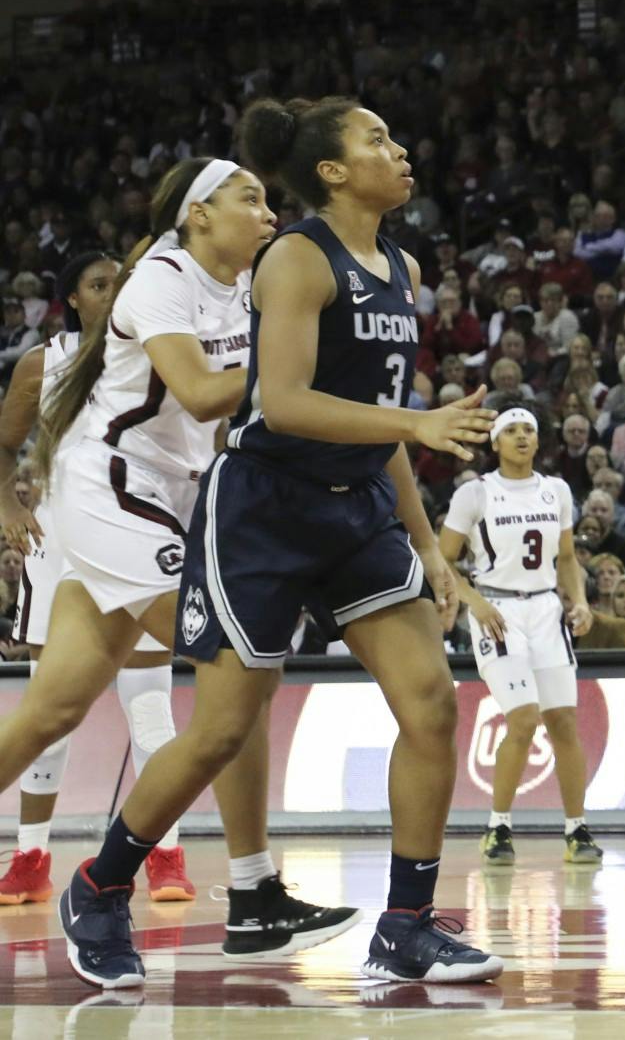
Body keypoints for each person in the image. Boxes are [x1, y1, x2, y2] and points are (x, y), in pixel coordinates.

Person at [59, 100, 502, 988]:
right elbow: (286, 401)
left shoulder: (404, 266)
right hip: (263, 507)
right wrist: (415, 421)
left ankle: (406, 924)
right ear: (332, 171)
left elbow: (374, 425)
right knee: (222, 729)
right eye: (377, 138)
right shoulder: (297, 256)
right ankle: (99, 885)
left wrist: (431, 545)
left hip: (359, 506)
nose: (400, 147)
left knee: (431, 702)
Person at [0, 162, 358, 984]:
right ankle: (244, 888)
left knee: (51, 708)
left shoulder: (252, 284)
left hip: (175, 496)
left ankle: (248, 891)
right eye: (251, 197)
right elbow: (201, 394)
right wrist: (301, 374)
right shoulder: (159, 274)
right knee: (238, 667)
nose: (269, 211)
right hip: (112, 491)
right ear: (199, 214)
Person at [0, 254, 200, 905]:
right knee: (46, 713)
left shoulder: (158, 346)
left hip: (134, 526)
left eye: (120, 281)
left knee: (150, 706)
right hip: (60, 536)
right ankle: (29, 854)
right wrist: (7, 506)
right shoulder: (44, 361)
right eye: (98, 284)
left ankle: (165, 853)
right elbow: (5, 441)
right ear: (73, 302)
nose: (114, 293)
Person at [437, 408, 602, 868]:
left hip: (547, 608)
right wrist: (475, 602)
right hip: (497, 611)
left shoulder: (557, 490)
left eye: (529, 428)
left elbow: (566, 557)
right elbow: (442, 560)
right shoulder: (475, 493)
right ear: (495, 442)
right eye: (511, 430)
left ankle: (577, 828)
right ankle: (498, 825)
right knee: (524, 720)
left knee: (565, 723)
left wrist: (580, 601)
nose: (522, 436)